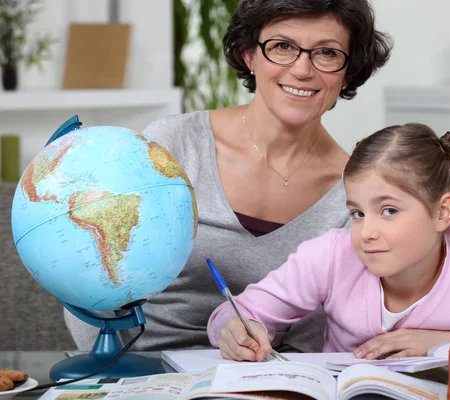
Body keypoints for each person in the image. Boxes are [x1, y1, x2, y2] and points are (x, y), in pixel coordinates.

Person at [64, 0, 392, 352]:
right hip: (136, 368)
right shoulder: (172, 146)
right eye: (282, 46)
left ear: (348, 70)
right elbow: (90, 270)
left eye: (326, 52)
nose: (301, 70)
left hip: (264, 377)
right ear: (249, 56)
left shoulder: (354, 191)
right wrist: (107, 374)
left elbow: (318, 337)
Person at [207, 124, 450, 362]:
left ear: (442, 212)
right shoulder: (332, 256)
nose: (366, 231)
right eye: (357, 213)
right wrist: (236, 329)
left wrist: (447, 345)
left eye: (388, 210)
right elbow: (234, 312)